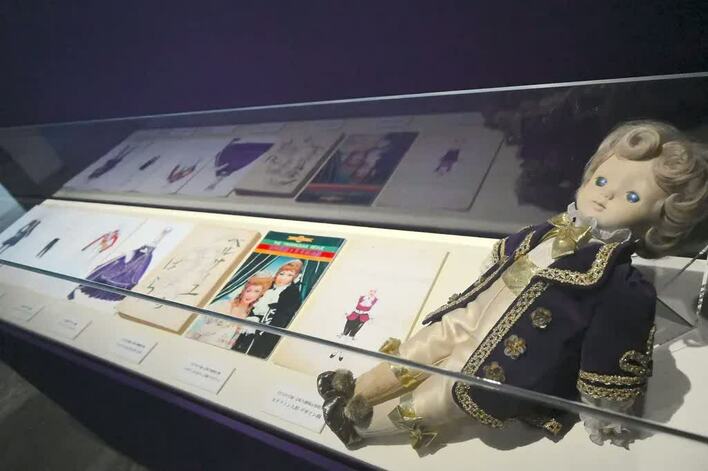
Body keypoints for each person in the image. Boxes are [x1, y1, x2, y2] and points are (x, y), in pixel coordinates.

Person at [317, 121, 708, 450]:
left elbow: (610, 349)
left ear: (659, 221)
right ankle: (353, 390)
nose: (605, 194)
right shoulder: (552, 229)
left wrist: (603, 408)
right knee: (414, 352)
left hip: (504, 360)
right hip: (468, 316)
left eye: (632, 196)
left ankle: (362, 428)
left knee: (437, 400)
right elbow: (504, 256)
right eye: (601, 179)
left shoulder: (622, 283)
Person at [232, 259, 303, 357]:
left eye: (289, 275)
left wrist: (262, 328)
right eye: (281, 274)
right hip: (249, 325)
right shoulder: (268, 287)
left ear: (295, 277)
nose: (283, 278)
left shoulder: (292, 293)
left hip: (267, 331)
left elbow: (282, 318)